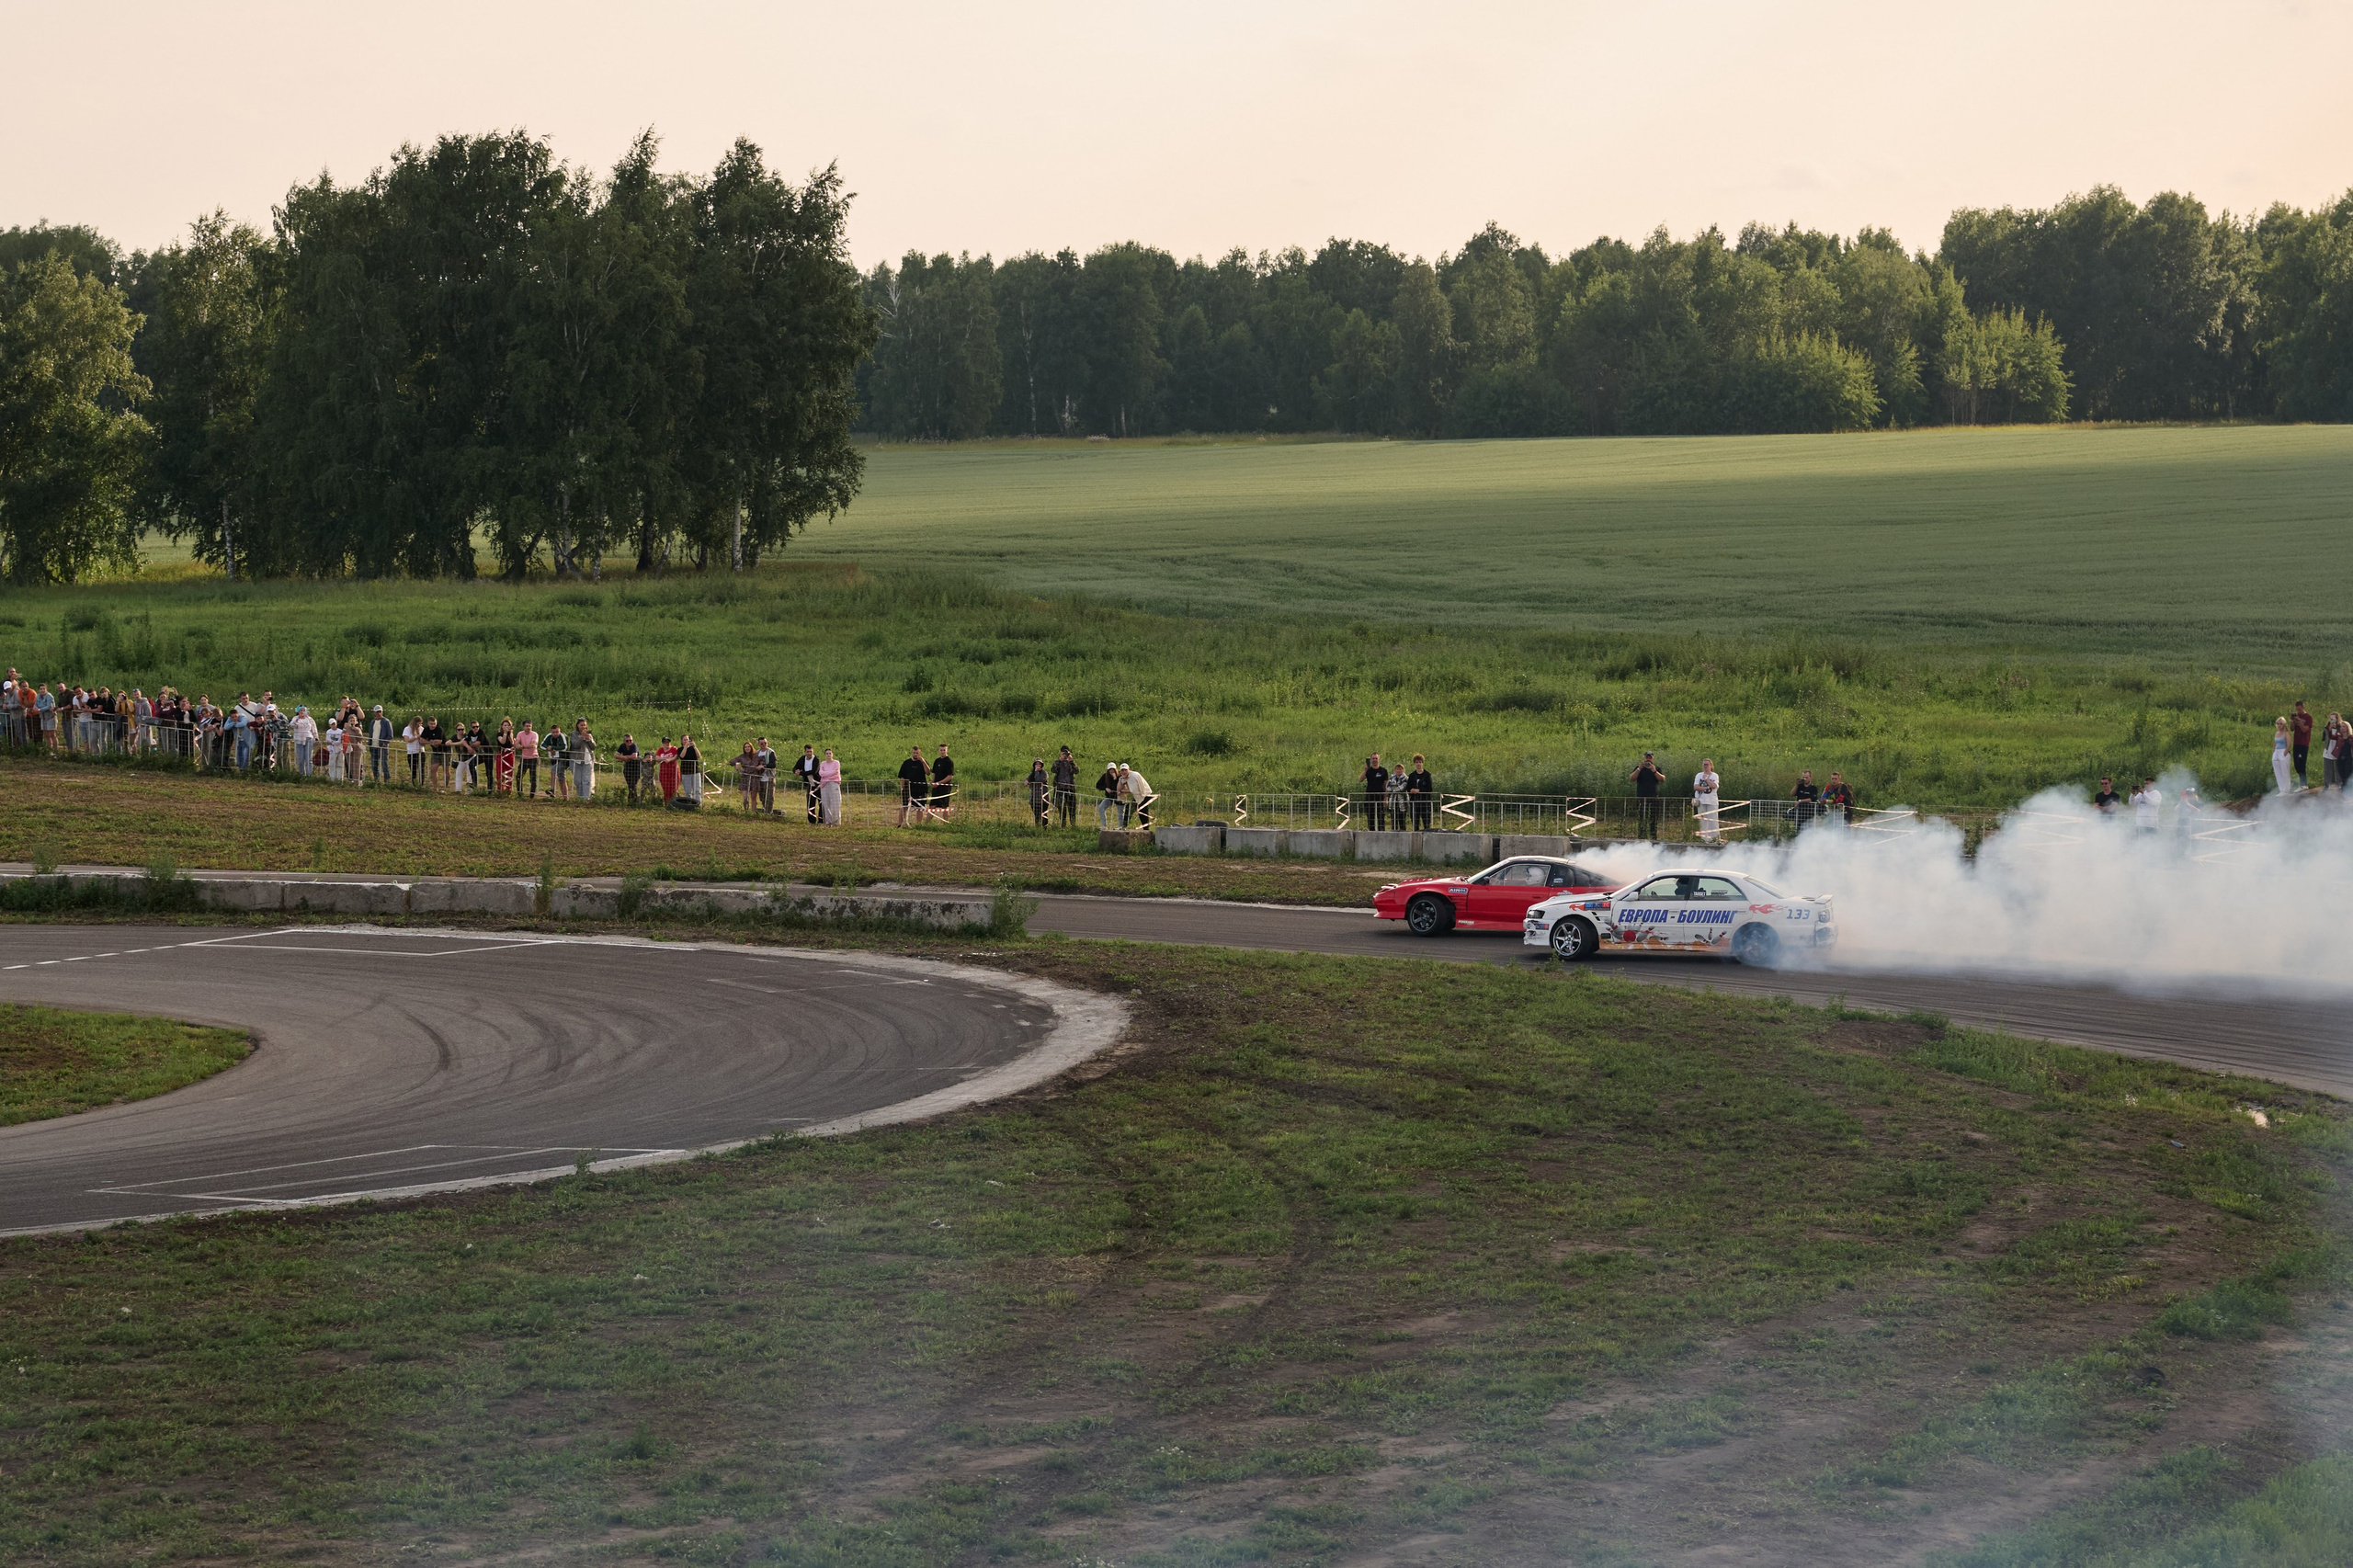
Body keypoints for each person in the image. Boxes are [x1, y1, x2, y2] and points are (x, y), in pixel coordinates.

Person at [1631, 752, 1665, 840]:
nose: (1648, 759)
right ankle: (1641, 836)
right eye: (1647, 757)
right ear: (1644, 758)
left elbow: (1662, 779)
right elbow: (1632, 778)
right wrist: (1639, 769)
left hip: (1654, 797)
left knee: (1653, 818)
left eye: (1650, 758)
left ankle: (1653, 837)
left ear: (1653, 759)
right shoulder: (1639, 768)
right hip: (1641, 797)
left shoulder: (1656, 768)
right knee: (1641, 818)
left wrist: (1654, 771)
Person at [897, 745, 930, 825]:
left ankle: (918, 824)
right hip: (908, 789)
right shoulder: (906, 763)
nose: (915, 754)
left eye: (917, 753)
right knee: (904, 806)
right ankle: (900, 824)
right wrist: (902, 788)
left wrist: (923, 762)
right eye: (914, 753)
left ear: (920, 753)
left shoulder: (923, 762)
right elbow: (902, 776)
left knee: (920, 808)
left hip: (920, 789)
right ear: (912, 753)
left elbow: (928, 772)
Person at [1693, 757, 1722, 845]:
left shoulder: (1714, 775)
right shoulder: (1699, 775)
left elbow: (1714, 786)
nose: (1705, 766)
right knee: (1702, 821)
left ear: (1711, 766)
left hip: (1712, 801)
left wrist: (1706, 779)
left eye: (1706, 764)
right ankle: (1704, 840)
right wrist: (1706, 787)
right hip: (1701, 801)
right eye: (1704, 764)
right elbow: (1696, 787)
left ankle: (1715, 839)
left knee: (1713, 821)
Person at [1051, 745, 1080, 828]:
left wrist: (1071, 761)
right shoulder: (1057, 762)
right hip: (1060, 787)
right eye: (1063, 753)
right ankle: (1062, 825)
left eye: (1066, 753)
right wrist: (1060, 761)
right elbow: (1053, 770)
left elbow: (1077, 771)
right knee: (1061, 808)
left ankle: (1073, 825)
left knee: (1072, 808)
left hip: (1070, 788)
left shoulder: (1071, 763)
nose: (1065, 755)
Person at [1404, 755, 1434, 830]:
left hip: (1425, 802)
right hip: (1414, 802)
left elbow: (1429, 789)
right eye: (1417, 762)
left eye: (1420, 762)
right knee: (1415, 823)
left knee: (1426, 823)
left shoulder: (1427, 775)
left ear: (1422, 763)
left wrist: (1420, 790)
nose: (1418, 764)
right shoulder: (1412, 775)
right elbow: (1408, 787)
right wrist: (1411, 790)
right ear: (1414, 763)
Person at [1360, 754, 1389, 831]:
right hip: (1369, 798)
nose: (1374, 760)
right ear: (1371, 760)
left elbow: (1386, 785)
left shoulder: (1383, 771)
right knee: (1370, 818)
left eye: (1376, 758)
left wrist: (1386, 798)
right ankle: (1371, 833)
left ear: (1379, 759)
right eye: (1373, 758)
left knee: (1381, 818)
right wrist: (1365, 770)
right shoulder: (1368, 771)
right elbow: (1361, 779)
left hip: (1380, 797)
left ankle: (1382, 833)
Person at [1122, 762, 1154, 829]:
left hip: (1145, 795)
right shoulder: (1128, 776)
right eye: (1122, 770)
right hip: (1140, 796)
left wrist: (1122, 791)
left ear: (1129, 769)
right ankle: (1124, 826)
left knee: (1142, 812)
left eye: (1125, 770)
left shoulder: (1132, 776)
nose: (1124, 772)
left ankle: (1146, 830)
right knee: (1129, 808)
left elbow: (1132, 790)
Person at [571, 719, 596, 801]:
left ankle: (587, 798)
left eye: (584, 725)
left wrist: (589, 739)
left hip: (588, 760)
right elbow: (575, 745)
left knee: (586, 780)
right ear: (577, 725)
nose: (583, 727)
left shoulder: (589, 734)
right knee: (578, 781)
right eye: (581, 725)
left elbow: (593, 747)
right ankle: (580, 797)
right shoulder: (574, 734)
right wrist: (581, 737)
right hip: (576, 759)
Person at [793, 744, 819, 822]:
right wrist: (796, 771)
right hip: (809, 784)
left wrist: (801, 773)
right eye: (808, 752)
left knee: (821, 802)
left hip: (818, 784)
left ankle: (821, 820)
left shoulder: (816, 759)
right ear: (805, 752)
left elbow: (814, 771)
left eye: (811, 751)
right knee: (810, 802)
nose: (809, 753)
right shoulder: (802, 759)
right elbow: (795, 767)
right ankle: (811, 820)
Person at [543, 722, 569, 800]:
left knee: (558, 774)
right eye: (553, 732)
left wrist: (553, 748)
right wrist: (548, 748)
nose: (555, 734)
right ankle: (559, 794)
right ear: (551, 732)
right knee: (558, 775)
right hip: (554, 759)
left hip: (563, 759)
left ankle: (559, 793)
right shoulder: (549, 736)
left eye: (557, 732)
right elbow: (542, 745)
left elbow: (564, 747)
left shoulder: (563, 736)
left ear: (560, 731)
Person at [2291, 700, 2314, 788]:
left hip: (2304, 743)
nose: (2298, 712)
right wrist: (2292, 720)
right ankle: (2302, 782)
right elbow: (2292, 729)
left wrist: (2299, 721)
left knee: (2301, 763)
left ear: (2303, 707)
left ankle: (2304, 784)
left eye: (2299, 710)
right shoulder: (2297, 716)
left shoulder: (2308, 717)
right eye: (2297, 710)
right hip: (2296, 742)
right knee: (2296, 764)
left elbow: (2305, 730)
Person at [818, 748, 843, 825]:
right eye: (827, 753)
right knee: (826, 803)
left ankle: (836, 821)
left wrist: (826, 775)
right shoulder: (823, 763)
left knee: (835, 803)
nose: (828, 755)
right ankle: (828, 821)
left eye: (830, 753)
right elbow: (821, 773)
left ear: (832, 754)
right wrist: (831, 773)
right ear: (825, 755)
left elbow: (836, 773)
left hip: (834, 783)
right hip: (824, 784)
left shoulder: (836, 763)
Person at [290, 707, 318, 776]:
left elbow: (314, 730)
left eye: (304, 710)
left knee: (308, 759)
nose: (302, 712)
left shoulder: (310, 719)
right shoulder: (295, 718)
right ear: (298, 711)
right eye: (301, 710)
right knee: (300, 759)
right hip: (299, 740)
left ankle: (309, 775)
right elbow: (292, 725)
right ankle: (302, 774)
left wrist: (316, 739)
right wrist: (297, 720)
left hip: (309, 739)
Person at [369, 705, 393, 782]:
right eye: (377, 712)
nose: (379, 713)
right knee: (374, 765)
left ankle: (387, 781)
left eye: (380, 712)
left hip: (382, 747)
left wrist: (384, 743)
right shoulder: (372, 722)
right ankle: (376, 781)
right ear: (374, 713)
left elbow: (390, 735)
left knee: (384, 764)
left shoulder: (386, 722)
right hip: (373, 746)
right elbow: (370, 734)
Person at [930, 744, 956, 819]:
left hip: (944, 788)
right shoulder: (937, 761)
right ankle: (926, 824)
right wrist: (932, 781)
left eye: (944, 750)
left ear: (947, 750)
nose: (942, 752)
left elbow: (950, 776)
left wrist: (939, 783)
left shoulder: (949, 762)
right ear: (939, 751)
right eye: (941, 750)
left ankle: (946, 823)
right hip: (936, 788)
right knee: (932, 806)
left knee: (945, 807)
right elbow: (934, 773)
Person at [676, 733, 701, 808]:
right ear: (682, 741)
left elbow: (698, 756)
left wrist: (694, 747)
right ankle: (689, 805)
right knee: (688, 791)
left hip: (695, 771)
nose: (686, 741)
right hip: (686, 772)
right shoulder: (680, 749)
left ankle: (698, 804)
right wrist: (685, 747)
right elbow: (682, 756)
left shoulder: (693, 749)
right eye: (684, 740)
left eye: (687, 739)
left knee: (697, 790)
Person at [516, 720, 539, 798]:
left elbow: (533, 745)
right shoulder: (520, 734)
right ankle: (520, 793)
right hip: (524, 758)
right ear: (523, 727)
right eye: (527, 726)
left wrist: (522, 747)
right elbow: (516, 743)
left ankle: (532, 795)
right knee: (519, 776)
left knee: (533, 777)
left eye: (530, 726)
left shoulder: (534, 734)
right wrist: (517, 745)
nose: (528, 728)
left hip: (533, 757)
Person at [755, 737, 778, 815]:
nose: (764, 745)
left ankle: (769, 812)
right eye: (762, 743)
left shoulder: (771, 752)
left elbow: (773, 764)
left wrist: (764, 766)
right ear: (759, 744)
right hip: (760, 778)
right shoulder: (757, 753)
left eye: (765, 743)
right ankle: (766, 809)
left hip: (769, 777)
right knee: (762, 796)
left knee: (769, 796)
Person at [1096, 761, 1122, 827]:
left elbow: (1118, 787)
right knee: (1101, 808)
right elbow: (1098, 785)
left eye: (1113, 769)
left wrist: (1115, 779)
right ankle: (1104, 825)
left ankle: (1121, 827)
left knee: (1120, 813)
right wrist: (1105, 788)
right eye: (1110, 769)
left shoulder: (1120, 777)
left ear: (1115, 769)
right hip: (1109, 797)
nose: (1111, 771)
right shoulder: (1105, 776)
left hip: (1119, 797)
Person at [494, 719, 517, 795]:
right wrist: (505, 733)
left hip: (509, 755)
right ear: (502, 726)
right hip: (501, 755)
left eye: (508, 725)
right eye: (505, 725)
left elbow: (512, 745)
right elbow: (502, 742)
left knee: (509, 773)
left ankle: (508, 790)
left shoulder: (511, 735)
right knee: (500, 772)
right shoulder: (499, 734)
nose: (507, 727)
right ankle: (500, 789)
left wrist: (511, 748)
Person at [618, 733, 642, 802]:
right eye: (627, 741)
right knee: (630, 785)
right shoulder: (622, 746)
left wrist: (624, 758)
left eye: (630, 740)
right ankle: (634, 800)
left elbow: (635, 756)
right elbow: (616, 755)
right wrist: (624, 757)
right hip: (628, 767)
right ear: (624, 741)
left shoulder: (634, 746)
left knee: (633, 784)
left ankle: (632, 800)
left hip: (636, 768)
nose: (629, 742)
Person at [2272, 717, 2294, 796]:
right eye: (2278, 724)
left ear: (2284, 724)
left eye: (2281, 724)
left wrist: (2284, 753)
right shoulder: (2276, 733)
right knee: (2277, 771)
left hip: (2283, 751)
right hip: (2276, 752)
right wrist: (2274, 751)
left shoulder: (2286, 733)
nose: (2279, 725)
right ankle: (2281, 789)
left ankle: (2286, 790)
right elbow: (2275, 743)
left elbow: (2288, 745)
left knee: (2285, 772)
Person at [1028, 757, 1050, 827]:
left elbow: (1040, 781)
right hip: (1034, 798)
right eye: (1036, 764)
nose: (1038, 765)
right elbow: (1026, 781)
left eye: (1039, 764)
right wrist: (1027, 781)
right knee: (1036, 815)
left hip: (1043, 798)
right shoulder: (1032, 774)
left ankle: (1045, 828)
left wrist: (1036, 772)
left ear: (1042, 765)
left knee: (1043, 814)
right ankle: (1037, 828)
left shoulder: (1044, 773)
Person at [404, 715, 425, 785]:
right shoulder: (407, 729)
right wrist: (416, 737)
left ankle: (421, 784)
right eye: (417, 724)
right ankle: (414, 784)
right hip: (412, 752)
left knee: (421, 768)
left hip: (421, 750)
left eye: (420, 724)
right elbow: (407, 740)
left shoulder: (422, 729)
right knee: (413, 769)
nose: (419, 726)